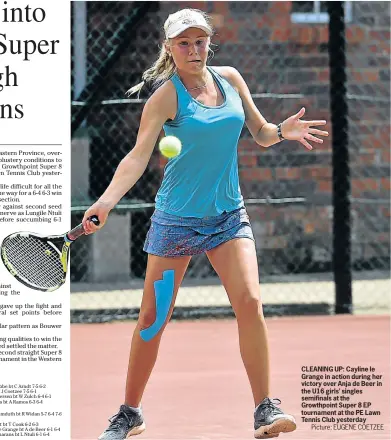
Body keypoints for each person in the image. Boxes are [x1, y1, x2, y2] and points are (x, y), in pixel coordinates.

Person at [83, 8, 328, 440]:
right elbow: (138, 157)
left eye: (199, 41)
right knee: (153, 320)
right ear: (170, 48)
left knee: (250, 302)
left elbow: (261, 131)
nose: (193, 49)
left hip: (228, 219)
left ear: (208, 43)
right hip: (176, 223)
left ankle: (265, 408)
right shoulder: (165, 97)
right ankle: (130, 412)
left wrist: (281, 131)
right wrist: (105, 201)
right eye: (183, 43)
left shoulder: (231, 79)